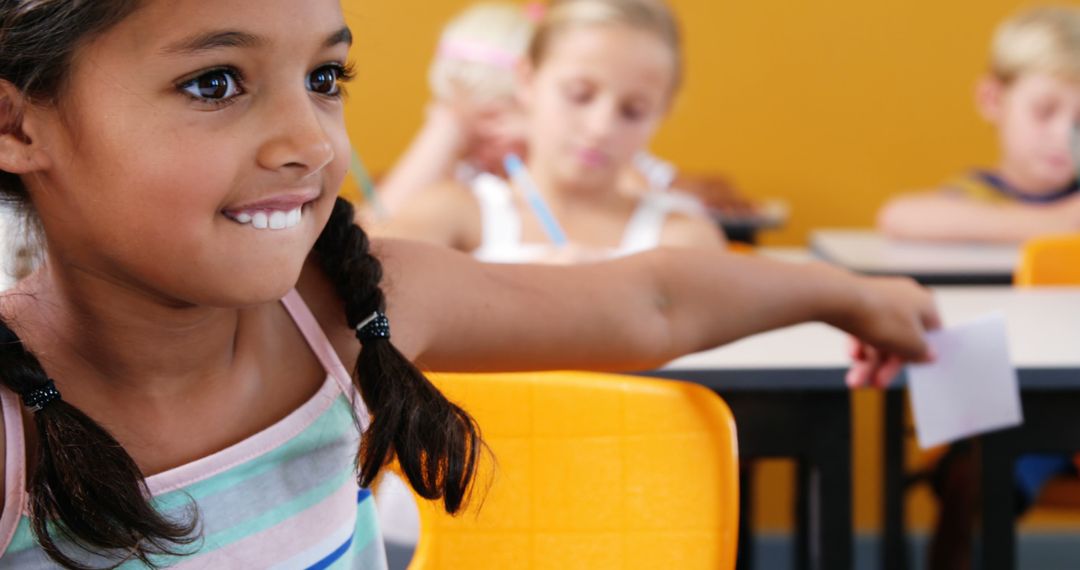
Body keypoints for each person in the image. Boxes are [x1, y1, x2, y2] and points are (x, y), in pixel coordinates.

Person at [0, 0, 937, 567]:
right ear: (17, 125)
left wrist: (844, 293)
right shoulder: (14, 436)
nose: (313, 143)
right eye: (215, 82)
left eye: (326, 75)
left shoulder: (342, 322)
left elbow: (653, 301)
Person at [375, 0, 728, 262]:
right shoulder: (456, 213)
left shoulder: (684, 238)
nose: (600, 128)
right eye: (579, 95)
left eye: (633, 111)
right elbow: (362, 270)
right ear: (526, 80)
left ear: (662, 112)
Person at [877, 6, 1080, 244]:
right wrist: (1059, 223)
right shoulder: (977, 193)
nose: (1063, 135)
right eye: (1044, 112)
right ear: (992, 99)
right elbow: (897, 216)